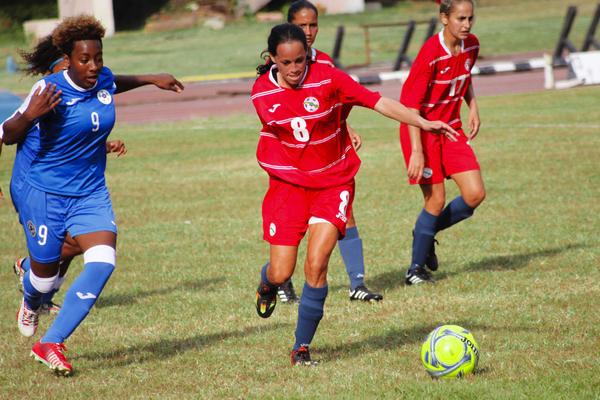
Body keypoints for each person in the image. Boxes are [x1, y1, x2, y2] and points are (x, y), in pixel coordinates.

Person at [251, 23, 458, 365]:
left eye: (300, 60)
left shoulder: (330, 78)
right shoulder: (260, 93)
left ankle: (301, 348)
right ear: (272, 58)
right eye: (285, 62)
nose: (294, 69)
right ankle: (267, 282)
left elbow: (378, 102)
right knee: (281, 272)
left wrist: (421, 121)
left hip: (333, 184)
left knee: (316, 266)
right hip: (288, 188)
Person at [1, 16, 183, 376]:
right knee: (43, 279)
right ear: (68, 59)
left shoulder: (102, 79)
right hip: (44, 193)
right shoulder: (48, 91)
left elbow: (114, 82)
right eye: (85, 60)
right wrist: (31, 115)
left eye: (98, 58)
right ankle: (30, 291)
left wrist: (152, 79)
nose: (94, 66)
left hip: (89, 191)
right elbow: (7, 133)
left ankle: (51, 342)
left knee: (103, 260)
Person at [274, 0, 383, 304]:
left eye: (313, 25)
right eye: (301, 25)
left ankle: (357, 283)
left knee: (344, 214)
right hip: (295, 162)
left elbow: (336, 101)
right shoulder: (282, 65)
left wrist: (346, 129)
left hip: (329, 156)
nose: (308, 32)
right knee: (291, 236)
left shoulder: (325, 62)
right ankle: (278, 280)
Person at [399, 0, 485, 285]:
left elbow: (464, 76)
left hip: (451, 129)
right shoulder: (430, 53)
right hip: (421, 130)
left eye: (470, 18)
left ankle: (426, 231)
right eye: (461, 18)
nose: (467, 24)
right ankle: (415, 270)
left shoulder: (471, 44)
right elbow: (410, 107)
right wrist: (417, 152)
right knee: (435, 200)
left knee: (475, 194)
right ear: (444, 18)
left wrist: (472, 106)